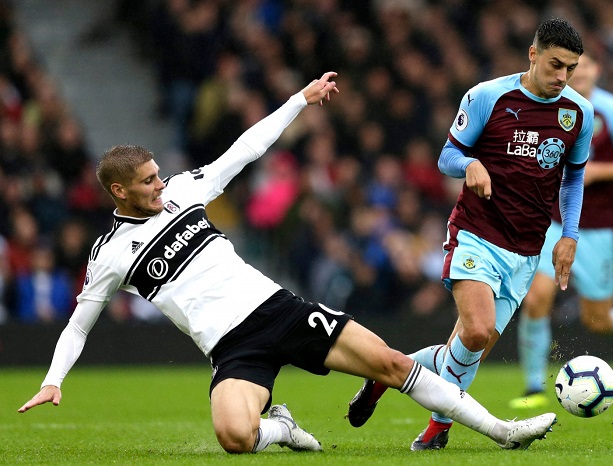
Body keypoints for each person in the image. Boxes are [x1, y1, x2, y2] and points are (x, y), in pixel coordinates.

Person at [17, 72, 558, 454]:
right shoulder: (111, 254)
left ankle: (501, 431)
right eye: (148, 182)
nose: (161, 185)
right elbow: (80, 321)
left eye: (159, 175)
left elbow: (246, 149)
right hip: (232, 348)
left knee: (392, 365)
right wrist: (53, 379)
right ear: (119, 191)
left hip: (277, 311)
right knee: (234, 439)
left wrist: (299, 100)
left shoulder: (184, 192)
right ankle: (283, 429)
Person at [347, 18, 594, 450]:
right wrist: (470, 164)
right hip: (476, 233)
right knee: (476, 332)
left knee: (462, 351)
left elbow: (573, 178)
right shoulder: (487, 96)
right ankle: (437, 430)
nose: (562, 77)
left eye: (570, 69)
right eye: (555, 65)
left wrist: (568, 235)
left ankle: (384, 374)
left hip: (526, 248)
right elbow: (446, 155)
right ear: (533, 54)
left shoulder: (578, 114)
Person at [508, 52, 613, 410]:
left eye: (582, 66)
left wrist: (597, 172)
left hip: (597, 227)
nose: (575, 73)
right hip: (554, 220)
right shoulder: (548, 106)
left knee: (597, 319)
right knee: (535, 299)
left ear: (596, 72)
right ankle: (534, 386)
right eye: (567, 67)